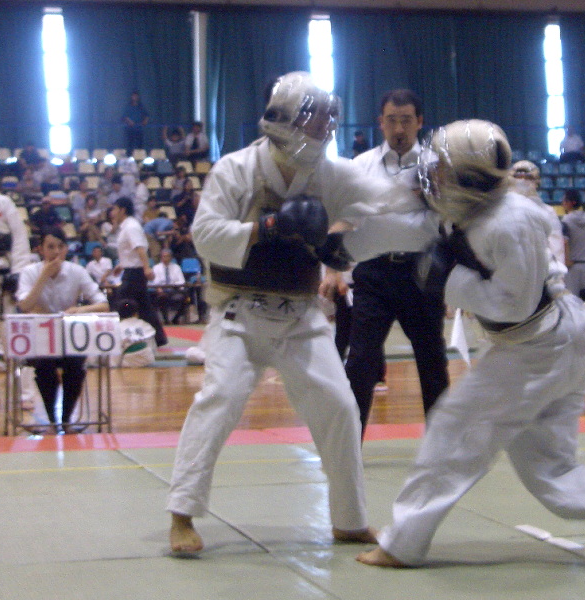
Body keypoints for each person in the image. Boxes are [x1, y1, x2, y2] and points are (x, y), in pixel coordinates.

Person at [356, 119, 585, 571]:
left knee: (452, 429)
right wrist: (345, 243)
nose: (434, 175)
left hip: (534, 350)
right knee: (554, 476)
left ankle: (401, 544)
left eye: (444, 169)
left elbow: (513, 305)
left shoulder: (506, 224)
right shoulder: (482, 210)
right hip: (555, 346)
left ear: (470, 181)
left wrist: (448, 281)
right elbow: (416, 217)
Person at [167, 71, 423, 554]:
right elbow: (205, 236)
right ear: (285, 118)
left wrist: (354, 235)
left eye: (330, 117)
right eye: (317, 116)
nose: (327, 126)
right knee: (219, 398)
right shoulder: (235, 170)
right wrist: (265, 227)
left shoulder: (332, 174)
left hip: (301, 315)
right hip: (237, 312)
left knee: (341, 406)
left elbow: (393, 203)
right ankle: (181, 514)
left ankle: (349, 520)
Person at [340, 89, 448, 438]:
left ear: (419, 122)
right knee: (360, 362)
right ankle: (348, 445)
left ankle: (442, 447)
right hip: (373, 274)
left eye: (406, 120)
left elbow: (454, 218)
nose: (398, 128)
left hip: (423, 273)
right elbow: (343, 219)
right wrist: (333, 269)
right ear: (380, 123)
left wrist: (429, 197)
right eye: (391, 120)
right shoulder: (360, 167)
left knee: (432, 359)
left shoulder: (438, 166)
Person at [15, 228, 109, 431]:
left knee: (76, 368)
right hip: (40, 340)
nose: (56, 252)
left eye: (60, 247)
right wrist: (44, 276)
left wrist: (80, 309)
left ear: (66, 249)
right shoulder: (30, 272)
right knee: (44, 368)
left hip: (70, 338)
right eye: (50, 247)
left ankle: (66, 419)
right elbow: (24, 306)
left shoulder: (77, 271)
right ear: (41, 250)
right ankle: (51, 419)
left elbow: (103, 303)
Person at [0, 190, 35, 408]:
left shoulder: (2, 203)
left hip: (4, 279)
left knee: (12, 337)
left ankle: (23, 394)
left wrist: (18, 274)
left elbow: (19, 239)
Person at [111, 196, 167, 347]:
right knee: (143, 306)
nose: (112, 212)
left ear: (122, 210)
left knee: (122, 303)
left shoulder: (131, 226)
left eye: (115, 209)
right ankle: (159, 338)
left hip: (135, 274)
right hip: (131, 271)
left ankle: (115, 335)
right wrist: (121, 265)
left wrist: (147, 267)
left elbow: (140, 248)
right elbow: (130, 251)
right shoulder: (126, 226)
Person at [509, 160, 566, 270]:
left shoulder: (547, 212)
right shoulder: (501, 210)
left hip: (539, 272)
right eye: (518, 177)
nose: (523, 181)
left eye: (528, 178)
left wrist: (557, 278)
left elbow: (556, 248)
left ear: (537, 182)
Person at [561, 188, 585, 301]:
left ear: (569, 203)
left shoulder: (566, 221)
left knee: (572, 301)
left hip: (573, 266)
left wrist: (567, 260)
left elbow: (565, 241)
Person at [149, 248, 189, 325]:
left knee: (186, 298)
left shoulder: (176, 267)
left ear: (171, 257)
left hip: (174, 290)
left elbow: (181, 281)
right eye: (164, 256)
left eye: (167, 256)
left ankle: (175, 319)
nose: (165, 258)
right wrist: (160, 288)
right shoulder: (156, 268)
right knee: (162, 298)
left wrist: (175, 286)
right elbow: (155, 282)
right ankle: (166, 320)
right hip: (161, 291)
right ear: (161, 257)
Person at [113, 298, 156, 368]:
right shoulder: (145, 325)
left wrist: (114, 366)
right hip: (148, 358)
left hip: (128, 360)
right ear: (136, 313)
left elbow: (116, 353)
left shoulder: (117, 328)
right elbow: (152, 346)